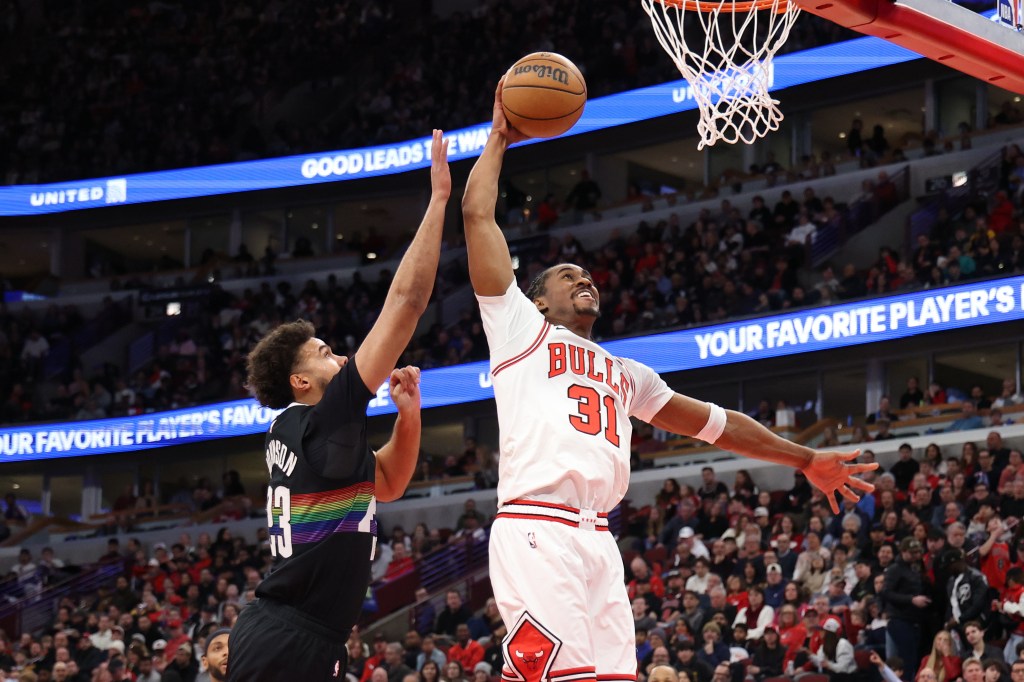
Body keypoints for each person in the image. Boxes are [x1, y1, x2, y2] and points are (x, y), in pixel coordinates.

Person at [460, 78, 878, 682]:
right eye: (568, 275)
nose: (584, 280)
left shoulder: (628, 375)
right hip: (537, 527)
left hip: (598, 538)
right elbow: (477, 216)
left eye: (588, 275)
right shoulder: (520, 330)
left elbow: (720, 425)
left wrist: (805, 457)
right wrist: (500, 136)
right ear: (539, 300)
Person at [228, 130, 451, 682]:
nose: (344, 357)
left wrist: (409, 417)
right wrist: (439, 200)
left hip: (305, 633)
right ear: (300, 380)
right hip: (289, 637)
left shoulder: (307, 433)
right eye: (327, 354)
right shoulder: (320, 422)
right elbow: (407, 302)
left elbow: (388, 484)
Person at [882, 537, 931, 666]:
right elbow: (886, 592)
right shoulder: (895, 569)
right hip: (900, 619)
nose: (916, 555)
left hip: (914, 620)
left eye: (918, 552)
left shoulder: (915, 569)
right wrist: (911, 600)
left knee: (912, 658)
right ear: (903, 551)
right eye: (912, 553)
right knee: (905, 660)